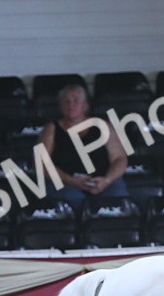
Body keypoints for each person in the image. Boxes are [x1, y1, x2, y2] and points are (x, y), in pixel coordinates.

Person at [39, 84, 129, 213]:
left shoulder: (103, 126)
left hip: (101, 181)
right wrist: (71, 181)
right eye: (66, 101)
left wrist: (107, 180)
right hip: (66, 182)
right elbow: (42, 165)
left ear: (85, 106)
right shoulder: (51, 129)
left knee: (117, 193)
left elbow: (119, 158)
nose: (71, 105)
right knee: (73, 198)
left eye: (76, 101)